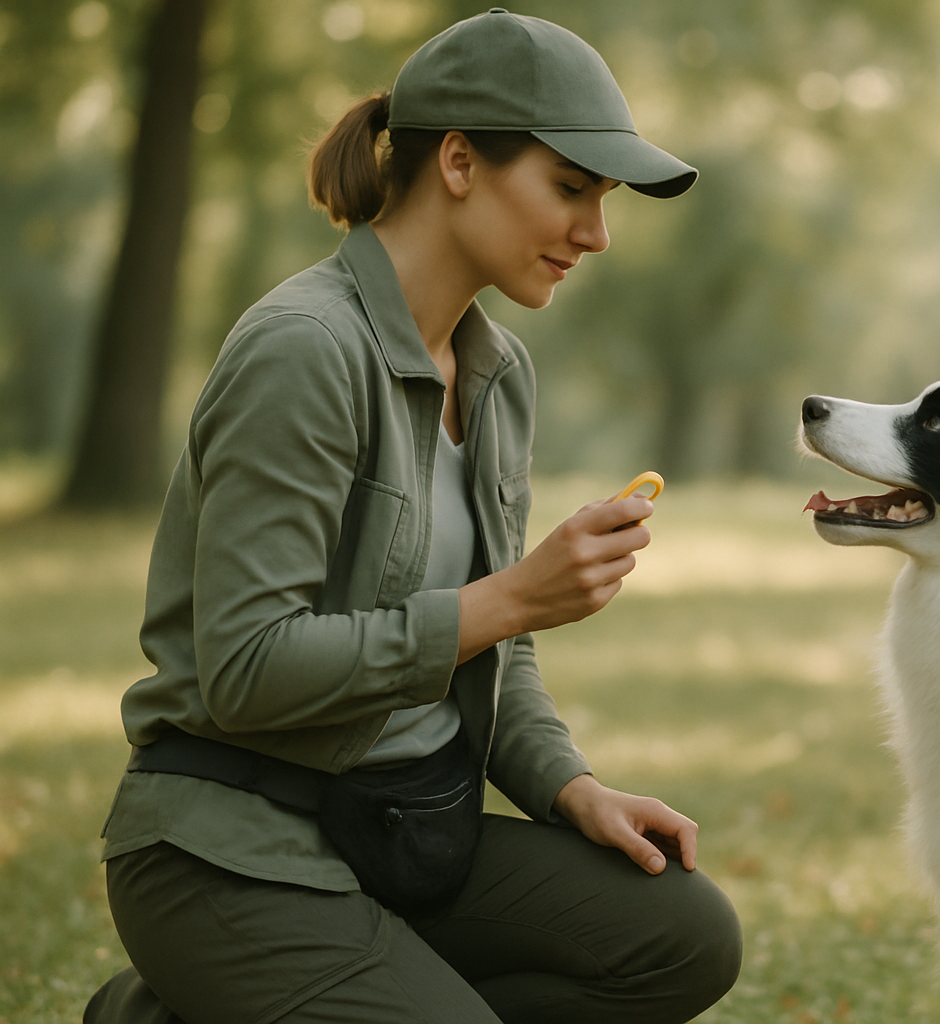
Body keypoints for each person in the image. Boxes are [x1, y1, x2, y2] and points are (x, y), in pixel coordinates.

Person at [82, 10, 741, 1023]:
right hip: (230, 850)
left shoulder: (496, 372)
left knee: (684, 935)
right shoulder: (304, 349)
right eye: (570, 189)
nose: (596, 234)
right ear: (462, 161)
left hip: (400, 835)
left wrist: (574, 789)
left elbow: (498, 654)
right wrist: (506, 599)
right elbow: (247, 668)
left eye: (603, 201)